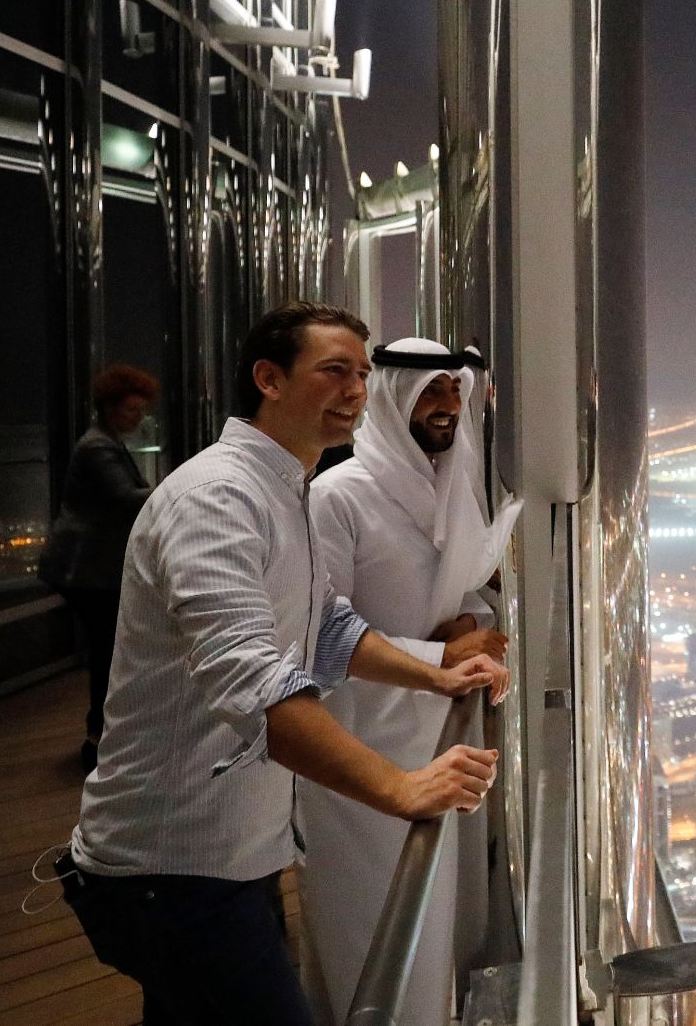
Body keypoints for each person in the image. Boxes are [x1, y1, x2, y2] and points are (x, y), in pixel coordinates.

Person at [58, 302, 504, 1026]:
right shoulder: (218, 500)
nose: (355, 389)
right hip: (171, 866)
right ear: (268, 378)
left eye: (362, 373)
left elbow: (325, 625)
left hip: (228, 852)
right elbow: (256, 686)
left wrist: (436, 673)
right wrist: (402, 789)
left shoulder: (284, 487)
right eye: (334, 371)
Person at [299, 337, 519, 1026]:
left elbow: (455, 596)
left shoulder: (449, 490)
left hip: (438, 738)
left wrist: (460, 631)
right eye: (430, 392)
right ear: (393, 402)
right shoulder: (337, 497)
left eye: (453, 390)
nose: (447, 406)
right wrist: (435, 654)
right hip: (360, 742)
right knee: (370, 921)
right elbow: (316, 633)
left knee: (438, 922)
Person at [39, 364, 160, 770]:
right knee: (107, 649)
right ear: (110, 409)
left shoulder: (103, 441)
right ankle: (99, 738)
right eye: (131, 410)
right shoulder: (99, 447)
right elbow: (125, 497)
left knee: (107, 648)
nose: (138, 418)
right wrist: (179, 487)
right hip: (87, 567)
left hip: (85, 565)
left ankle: (103, 735)